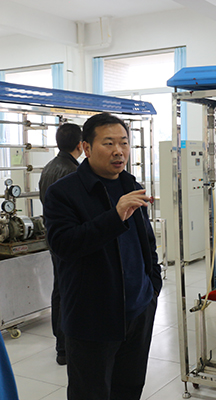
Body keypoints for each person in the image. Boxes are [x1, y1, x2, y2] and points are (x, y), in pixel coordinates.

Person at [43, 112, 162, 400]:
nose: (118, 151)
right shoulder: (63, 193)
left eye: (124, 142)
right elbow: (63, 245)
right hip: (92, 319)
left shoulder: (131, 185)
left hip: (138, 311)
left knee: (129, 389)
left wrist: (152, 287)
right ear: (86, 147)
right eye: (108, 143)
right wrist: (115, 216)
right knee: (91, 393)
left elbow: (146, 241)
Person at [38, 123, 83, 366]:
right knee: (72, 290)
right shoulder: (74, 173)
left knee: (60, 288)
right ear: (81, 145)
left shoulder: (48, 168)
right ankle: (67, 346)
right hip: (71, 240)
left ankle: (61, 345)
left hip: (54, 238)